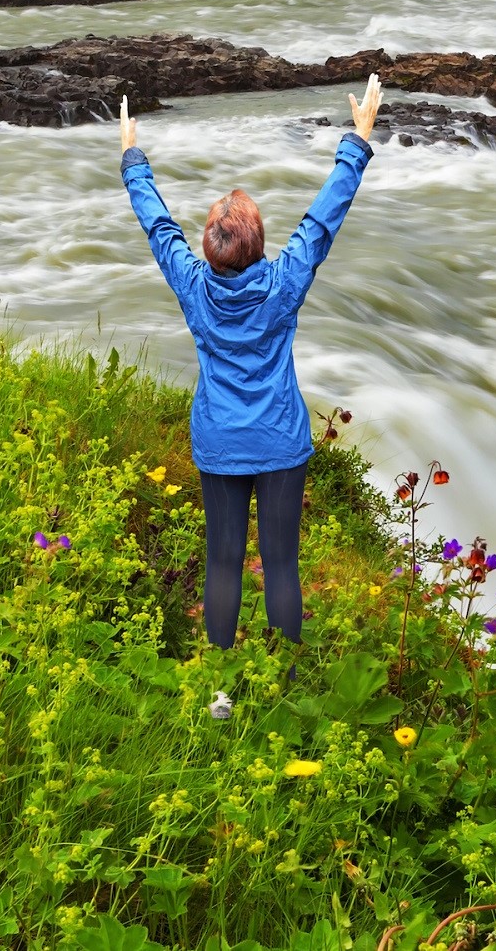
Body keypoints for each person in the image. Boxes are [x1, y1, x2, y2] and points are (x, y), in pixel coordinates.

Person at [119, 76, 383, 648]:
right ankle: (282, 685)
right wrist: (356, 141)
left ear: (210, 251)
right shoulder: (283, 283)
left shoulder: (193, 285)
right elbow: (320, 223)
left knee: (222, 564)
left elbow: (158, 227)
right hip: (279, 440)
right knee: (282, 566)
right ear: (260, 245)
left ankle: (219, 689)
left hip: (220, 437)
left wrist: (132, 159)